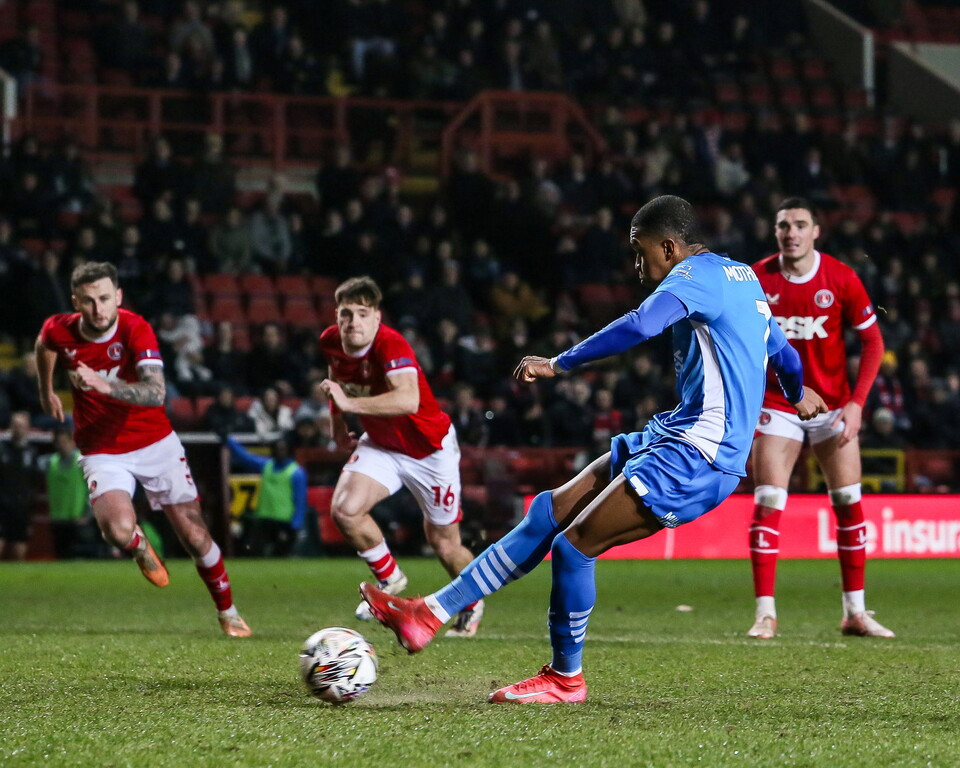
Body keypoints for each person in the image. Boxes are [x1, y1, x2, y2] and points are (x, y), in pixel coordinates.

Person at [360, 195, 827, 703]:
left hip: (700, 455)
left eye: (639, 250)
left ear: (669, 246)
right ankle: (427, 614)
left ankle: (565, 680)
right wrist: (797, 392)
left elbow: (640, 324)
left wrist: (558, 364)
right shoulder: (743, 278)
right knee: (549, 513)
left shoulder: (693, 278)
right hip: (675, 434)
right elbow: (783, 353)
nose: (636, 263)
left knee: (574, 546)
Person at [35, 262, 251, 637]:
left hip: (155, 442)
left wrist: (104, 386)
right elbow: (44, 344)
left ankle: (228, 612)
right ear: (76, 303)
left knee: (196, 536)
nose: (98, 309)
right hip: (102, 448)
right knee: (117, 530)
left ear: (118, 297)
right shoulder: (61, 329)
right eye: (88, 301)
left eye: (105, 298)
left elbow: (156, 392)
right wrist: (46, 390)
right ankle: (139, 546)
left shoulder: (136, 329)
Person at [747, 197, 893, 640]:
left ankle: (855, 613)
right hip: (779, 404)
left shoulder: (841, 278)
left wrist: (857, 404)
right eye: (782, 226)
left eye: (799, 224)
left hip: (831, 406)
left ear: (815, 232)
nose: (790, 232)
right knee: (769, 499)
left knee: (849, 501)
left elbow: (873, 344)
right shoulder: (756, 279)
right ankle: (765, 615)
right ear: (775, 233)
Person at [318, 276, 484, 638]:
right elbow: (337, 379)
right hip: (382, 444)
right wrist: (336, 422)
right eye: (346, 314)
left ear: (377, 317)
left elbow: (407, 399)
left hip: (430, 451)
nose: (353, 322)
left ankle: (471, 602)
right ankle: (390, 577)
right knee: (344, 510)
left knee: (444, 544)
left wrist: (350, 404)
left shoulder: (391, 344)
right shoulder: (331, 341)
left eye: (362, 313)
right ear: (336, 316)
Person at [224, 436, 306, 556]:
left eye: (283, 449)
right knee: (257, 553)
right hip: (265, 518)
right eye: (277, 449)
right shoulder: (267, 465)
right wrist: (228, 440)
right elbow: (245, 458)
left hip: (284, 521)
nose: (280, 452)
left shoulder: (296, 472)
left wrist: (296, 524)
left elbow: (300, 500)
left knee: (281, 554)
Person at [42, 428, 93, 559]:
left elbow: (91, 489)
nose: (62, 446)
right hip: (58, 518)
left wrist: (87, 514)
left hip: (77, 518)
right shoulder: (50, 462)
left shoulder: (82, 463)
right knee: (61, 555)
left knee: (79, 555)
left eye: (64, 442)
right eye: (59, 443)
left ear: (72, 442)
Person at [0, 412, 41, 560]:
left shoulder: (31, 453)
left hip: (21, 506)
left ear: (28, 429)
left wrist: (29, 500)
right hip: (2, 505)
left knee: (19, 543)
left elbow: (34, 480)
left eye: (21, 426)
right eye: (15, 426)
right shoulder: (2, 449)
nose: (18, 429)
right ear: (10, 427)